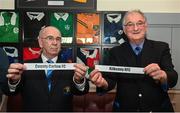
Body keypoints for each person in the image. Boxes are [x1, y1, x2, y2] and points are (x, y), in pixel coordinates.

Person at [89, 9, 178, 112]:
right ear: (124, 29)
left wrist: (163, 75)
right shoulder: (115, 52)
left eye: (139, 23)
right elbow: (110, 80)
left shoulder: (161, 48)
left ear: (146, 26)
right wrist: (103, 83)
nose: (135, 28)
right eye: (130, 24)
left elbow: (173, 76)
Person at [0, 26, 89, 112]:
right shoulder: (25, 67)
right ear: (40, 42)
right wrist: (13, 81)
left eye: (58, 39)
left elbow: (82, 91)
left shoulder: (70, 67)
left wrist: (79, 80)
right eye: (50, 38)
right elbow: (8, 91)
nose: (55, 42)